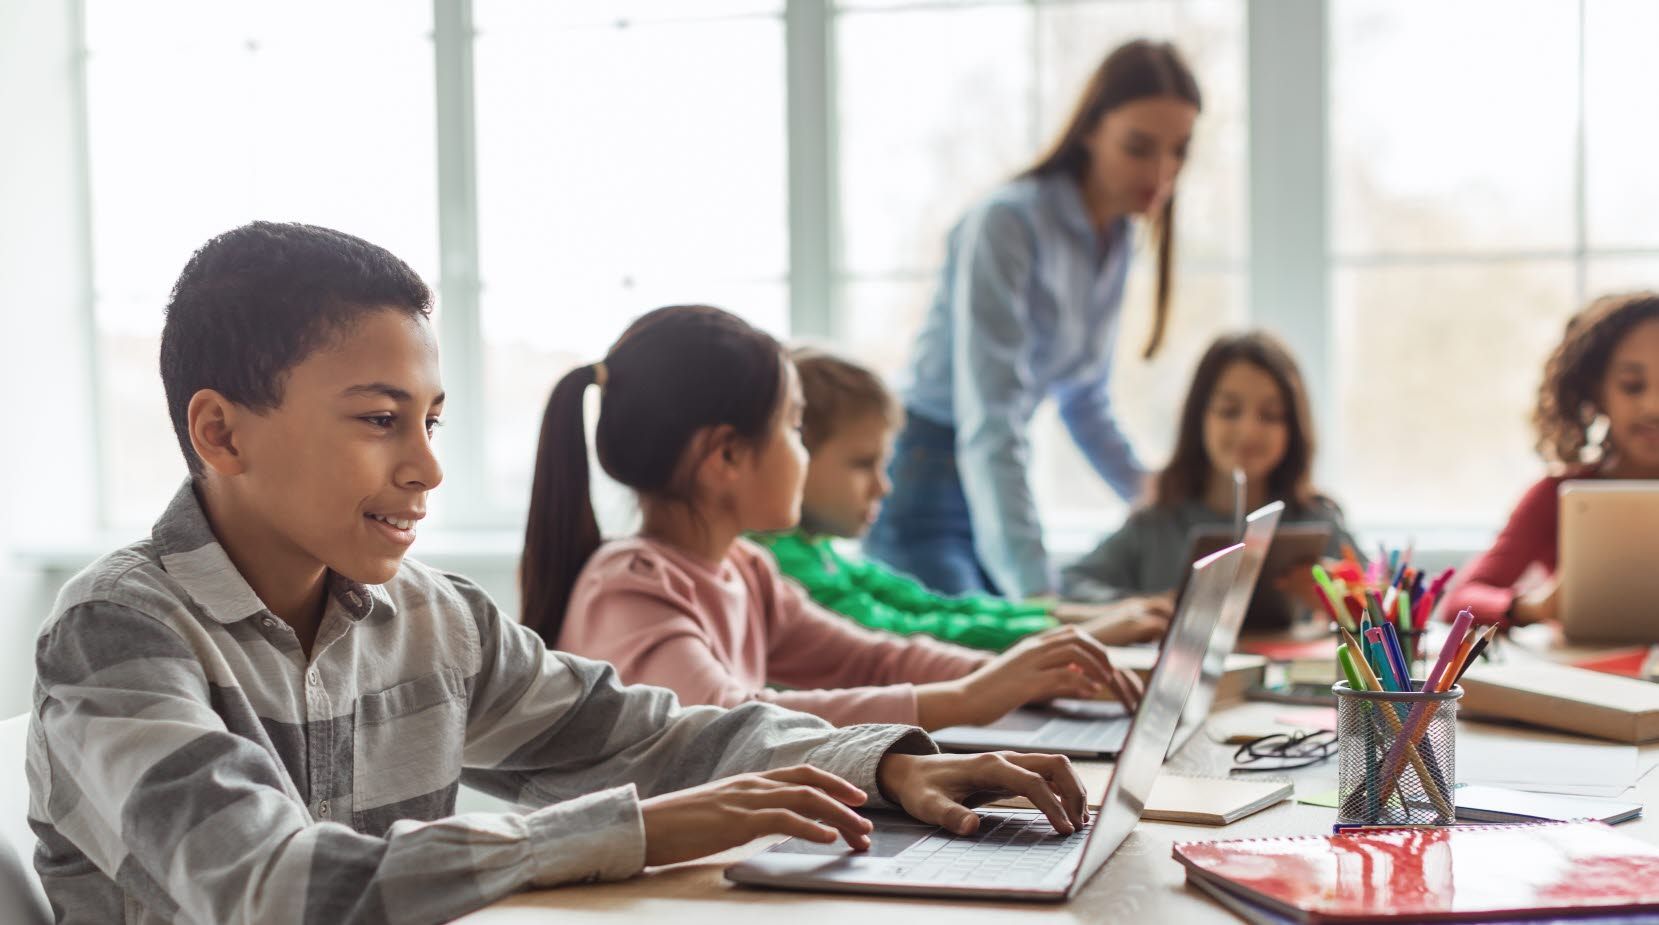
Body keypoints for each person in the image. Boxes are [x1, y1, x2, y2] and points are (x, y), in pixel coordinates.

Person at [27, 223, 1092, 925]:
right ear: (221, 430)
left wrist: (882, 765)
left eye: (432, 419)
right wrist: (630, 829)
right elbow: (272, 886)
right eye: (379, 419)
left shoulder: (435, 619)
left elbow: (657, 735)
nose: (427, 465)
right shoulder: (116, 636)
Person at [523, 305, 1146, 730]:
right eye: (794, 428)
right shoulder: (630, 585)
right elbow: (732, 722)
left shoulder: (747, 569)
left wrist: (1019, 677)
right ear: (729, 456)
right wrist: (966, 698)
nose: (803, 449)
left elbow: (876, 659)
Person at [865, 39, 1203, 599]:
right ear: (1091, 130)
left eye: (1179, 152)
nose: (1162, 173)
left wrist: (1160, 498)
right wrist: (1037, 594)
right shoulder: (1008, 223)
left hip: (989, 479)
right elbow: (990, 421)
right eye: (1140, 148)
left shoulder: (1116, 235)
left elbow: (1084, 399)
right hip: (926, 480)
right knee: (983, 660)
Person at [754, 345, 1170, 651]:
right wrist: (1077, 633)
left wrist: (1098, 617)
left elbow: (933, 606)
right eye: (863, 465)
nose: (884, 487)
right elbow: (902, 632)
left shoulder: (823, 553)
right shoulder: (780, 566)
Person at [1061, 331, 1356, 627]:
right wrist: (1139, 608)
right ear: (1199, 417)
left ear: (1293, 427)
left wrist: (1339, 599)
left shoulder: (1319, 520)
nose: (1248, 432)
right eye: (1229, 411)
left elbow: (1381, 608)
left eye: (1270, 415)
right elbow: (1072, 585)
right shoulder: (1156, 524)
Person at [1441, 292, 1659, 626]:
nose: (1653, 408)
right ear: (1597, 393)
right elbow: (1460, 600)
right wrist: (1534, 606)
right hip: (1587, 673)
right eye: (1632, 386)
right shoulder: (1555, 495)